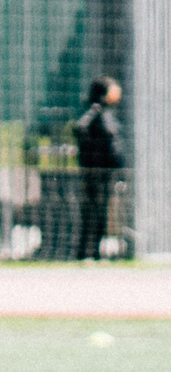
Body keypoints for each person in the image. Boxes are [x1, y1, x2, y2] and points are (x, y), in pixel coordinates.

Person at [73, 78, 127, 261]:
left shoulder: (105, 113)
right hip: (97, 172)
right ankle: (86, 252)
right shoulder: (95, 112)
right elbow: (81, 129)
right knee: (93, 212)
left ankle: (94, 251)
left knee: (100, 213)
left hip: (106, 172)